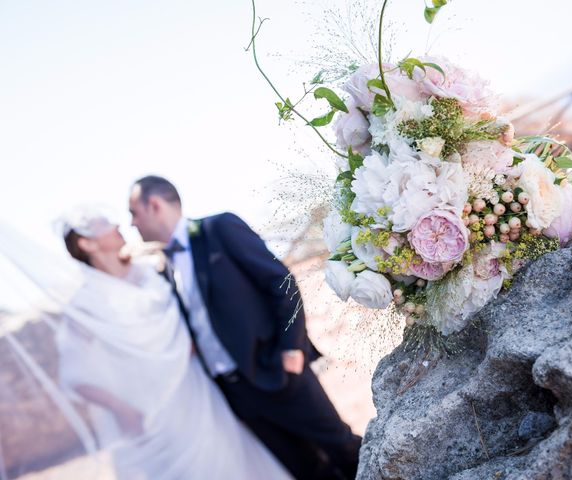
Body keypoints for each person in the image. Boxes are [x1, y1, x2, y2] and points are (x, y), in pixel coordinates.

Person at [129, 175, 362, 479]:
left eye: (134, 212)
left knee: (342, 448)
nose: (132, 223)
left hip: (278, 371)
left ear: (154, 205)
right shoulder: (165, 269)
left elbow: (281, 282)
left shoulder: (219, 229)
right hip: (236, 395)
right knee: (306, 470)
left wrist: (292, 349)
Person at [57, 207, 293, 479]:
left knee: (231, 460)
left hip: (197, 388)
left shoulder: (150, 272)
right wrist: (123, 409)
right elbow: (75, 374)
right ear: (87, 243)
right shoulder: (85, 304)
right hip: (153, 410)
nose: (115, 224)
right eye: (102, 223)